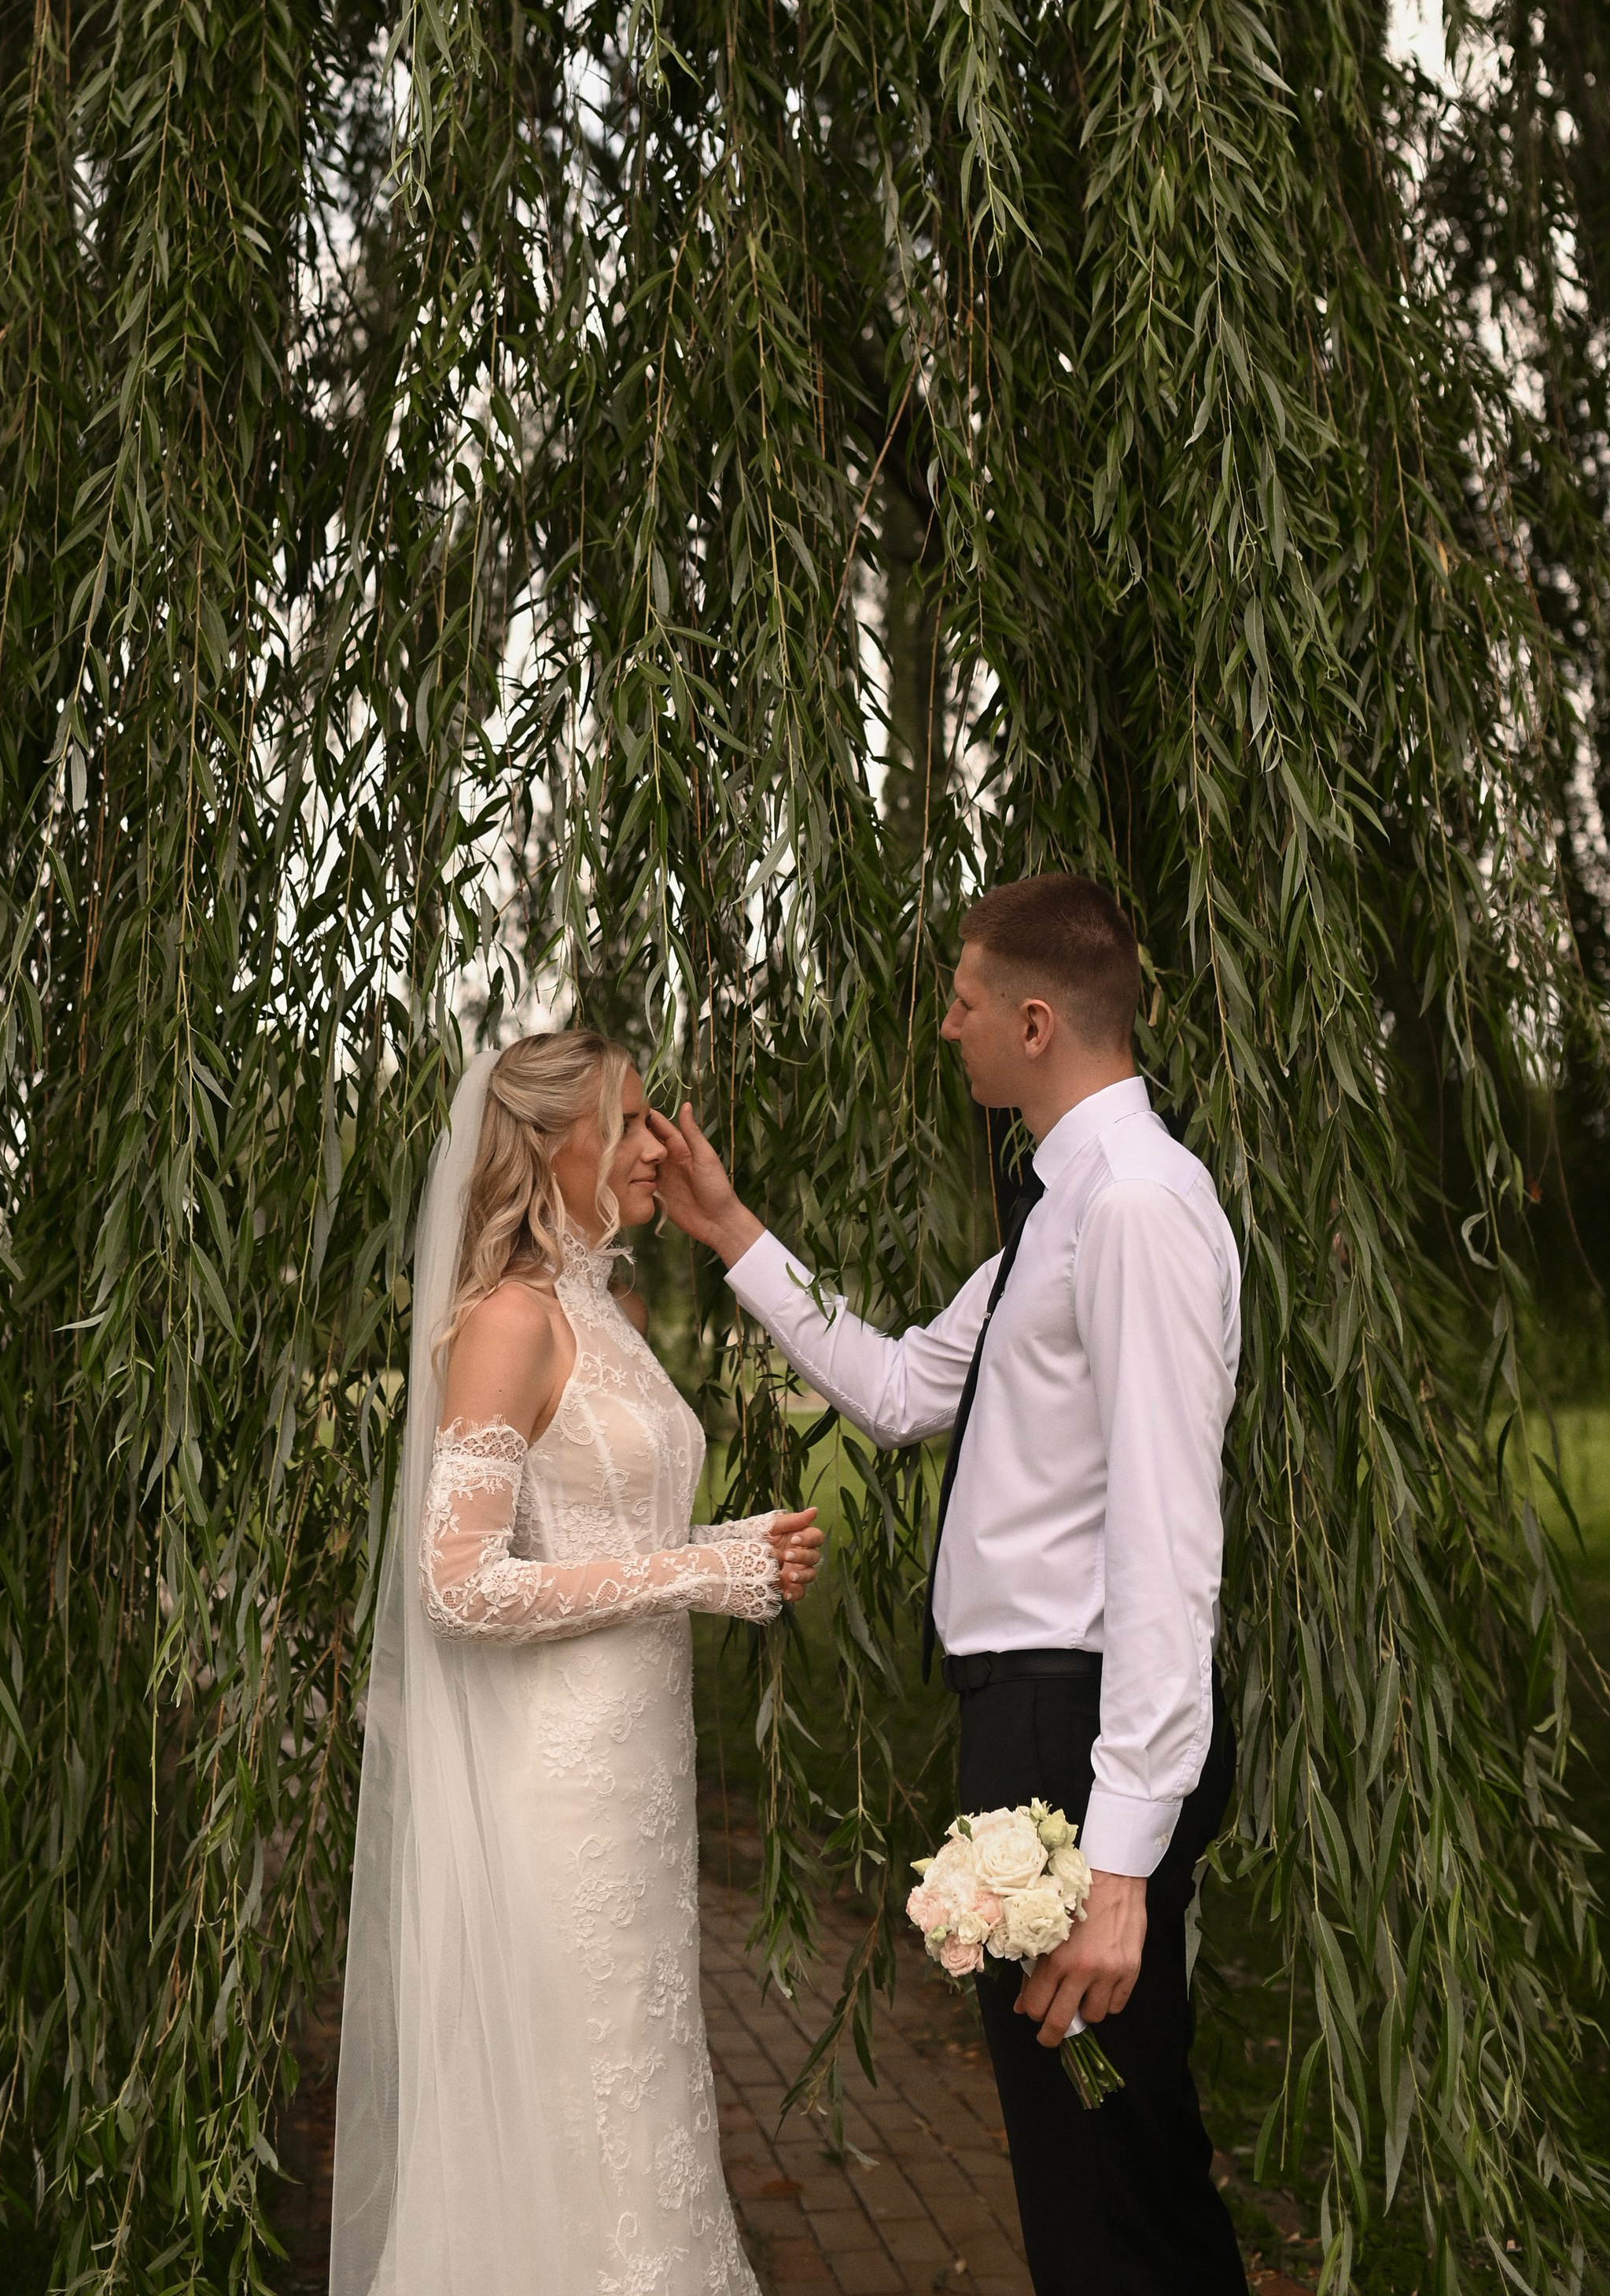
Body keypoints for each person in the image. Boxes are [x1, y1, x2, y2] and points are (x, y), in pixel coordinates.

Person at [650, 874, 1245, 2296]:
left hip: (1081, 1735)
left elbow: (1170, 1534)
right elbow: (910, 1387)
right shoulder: (1058, 1208)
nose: (944, 1025)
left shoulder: (1138, 1209)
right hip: (1028, 1724)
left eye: (965, 1000)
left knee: (1113, 2179)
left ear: (1037, 1022)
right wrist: (736, 1235)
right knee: (1093, 2161)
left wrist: (1119, 1865)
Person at [330, 1030, 823, 2296]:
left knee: (638, 2105)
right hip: (560, 1788)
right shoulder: (507, 1319)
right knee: (571, 2107)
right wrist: (691, 1574)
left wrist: (729, 1549)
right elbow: (457, 1582)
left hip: (635, 1781)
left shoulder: (598, 1309)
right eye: (639, 1121)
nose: (665, 1144)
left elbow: (597, 1529)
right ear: (560, 1146)